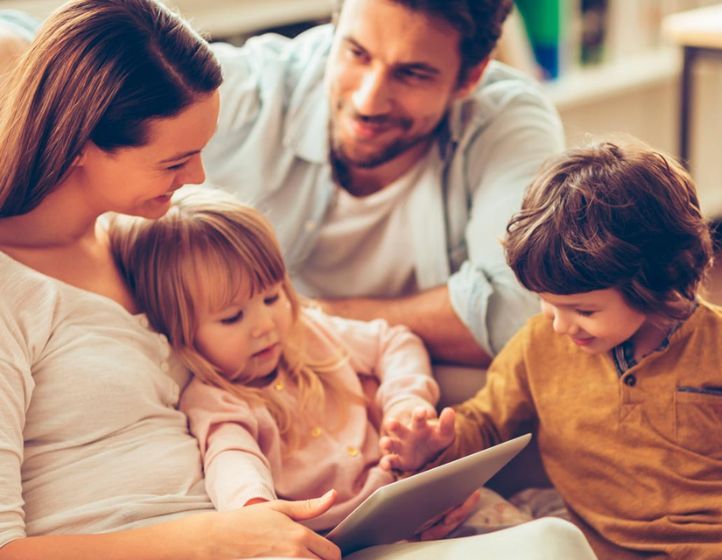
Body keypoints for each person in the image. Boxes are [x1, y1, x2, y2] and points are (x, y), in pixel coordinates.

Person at [0, 2, 594, 558]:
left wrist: (410, 475)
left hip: (289, 531)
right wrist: (218, 537)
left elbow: (260, 391)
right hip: (216, 540)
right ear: (80, 143)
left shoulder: (143, 247)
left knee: (553, 542)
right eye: (175, 162)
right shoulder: (13, 292)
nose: (200, 176)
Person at [379, 141, 722, 559]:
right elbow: (484, 424)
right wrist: (437, 445)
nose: (559, 324)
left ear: (657, 280)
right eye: (546, 302)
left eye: (583, 310)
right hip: (611, 550)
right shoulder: (537, 345)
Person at [200, 0, 565, 366]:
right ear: (334, 27)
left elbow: (522, 313)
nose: (368, 102)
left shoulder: (507, 121)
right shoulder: (239, 89)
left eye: (412, 74)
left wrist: (297, 318)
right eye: (357, 53)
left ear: (470, 77)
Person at [109, 186, 441, 530]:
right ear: (181, 333)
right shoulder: (216, 401)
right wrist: (253, 505)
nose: (265, 325)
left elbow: (395, 341)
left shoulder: (309, 332)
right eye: (232, 317)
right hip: (336, 535)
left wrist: (404, 403)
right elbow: (232, 458)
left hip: (404, 498)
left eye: (271, 298)